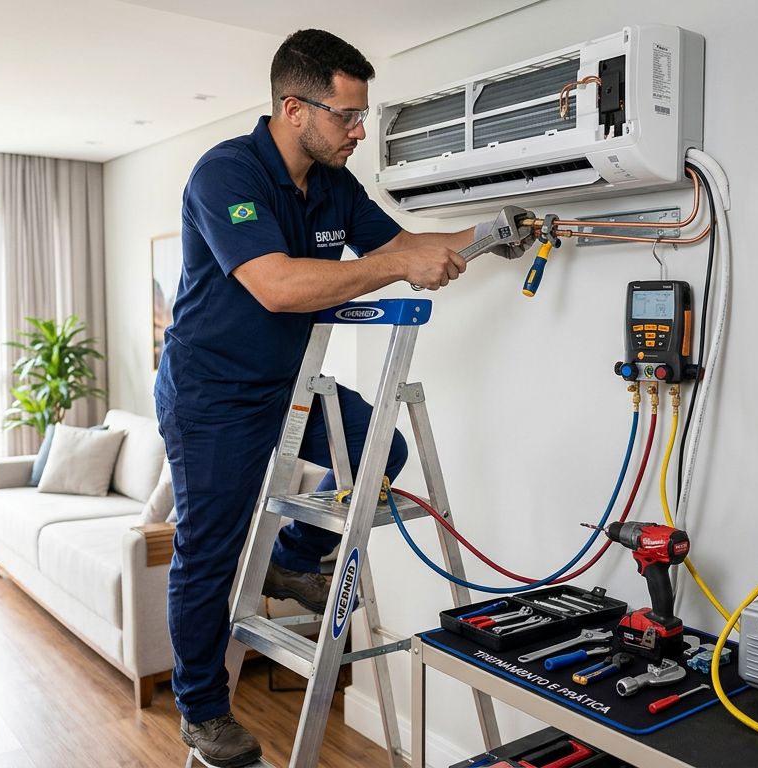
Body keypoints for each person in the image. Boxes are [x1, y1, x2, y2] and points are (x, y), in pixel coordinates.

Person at [155, 29, 530, 767]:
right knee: (208, 549)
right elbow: (279, 284)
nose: (359, 130)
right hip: (212, 394)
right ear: (294, 108)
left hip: (291, 383)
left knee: (378, 445)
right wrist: (397, 268)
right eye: (346, 115)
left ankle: (294, 558)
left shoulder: (333, 183)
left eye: (361, 114)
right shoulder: (224, 174)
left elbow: (403, 244)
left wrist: (493, 233)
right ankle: (202, 711)